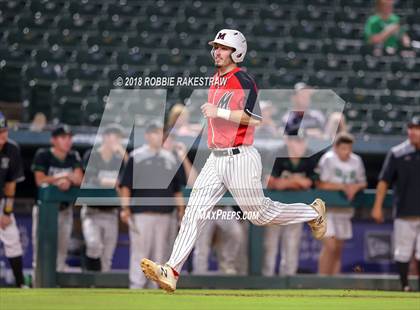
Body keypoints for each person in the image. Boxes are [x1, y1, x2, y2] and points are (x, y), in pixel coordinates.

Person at [140, 29, 327, 292]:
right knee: (194, 212)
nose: (217, 51)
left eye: (223, 48)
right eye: (215, 47)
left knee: (260, 215)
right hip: (216, 158)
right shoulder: (215, 79)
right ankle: (171, 270)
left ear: (236, 51)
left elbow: (256, 118)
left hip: (240, 156)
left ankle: (312, 212)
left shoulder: (243, 80)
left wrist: (220, 111)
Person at [118, 122, 185, 289]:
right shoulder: (136, 156)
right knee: (140, 254)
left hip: (165, 215)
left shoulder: (171, 158)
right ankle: (136, 287)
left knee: (161, 255)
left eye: (160, 133)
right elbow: (125, 186)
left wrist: (181, 211)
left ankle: (158, 288)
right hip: (142, 214)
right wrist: (125, 209)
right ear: (147, 136)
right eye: (155, 133)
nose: (159, 136)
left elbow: (177, 189)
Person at [372, 116, 420, 291]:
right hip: (404, 211)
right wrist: (377, 206)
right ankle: (405, 286)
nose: (413, 131)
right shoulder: (397, 153)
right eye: (411, 128)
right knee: (403, 251)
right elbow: (384, 181)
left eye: (417, 128)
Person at [263, 133, 319, 276]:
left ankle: (288, 284)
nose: (300, 144)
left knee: (292, 247)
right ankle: (266, 282)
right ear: (288, 141)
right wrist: (296, 182)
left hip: (295, 208)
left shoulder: (310, 155)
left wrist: (285, 183)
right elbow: (269, 182)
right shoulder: (277, 153)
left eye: (302, 141)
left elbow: (313, 182)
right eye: (296, 141)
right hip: (273, 208)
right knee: (270, 247)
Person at [31, 124, 83, 272]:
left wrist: (69, 181)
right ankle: (38, 285)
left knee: (61, 251)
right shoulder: (43, 155)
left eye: (69, 138)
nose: (67, 141)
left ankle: (57, 287)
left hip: (65, 210)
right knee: (41, 249)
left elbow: (79, 178)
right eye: (63, 137)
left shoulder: (74, 156)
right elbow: (39, 180)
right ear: (53, 140)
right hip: (44, 211)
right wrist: (63, 176)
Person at [317, 132, 367, 275]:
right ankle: (321, 281)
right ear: (336, 147)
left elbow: (363, 182)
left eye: (349, 148)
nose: (346, 152)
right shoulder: (328, 159)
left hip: (344, 210)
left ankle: (333, 283)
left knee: (338, 249)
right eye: (343, 148)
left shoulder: (356, 160)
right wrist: (344, 187)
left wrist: (356, 186)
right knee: (330, 247)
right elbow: (321, 184)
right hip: (327, 209)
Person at [81, 124, 127, 272]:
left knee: (107, 256)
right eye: (115, 136)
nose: (117, 140)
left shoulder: (118, 158)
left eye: (119, 137)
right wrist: (109, 182)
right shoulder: (92, 154)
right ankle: (90, 279)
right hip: (92, 211)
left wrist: (123, 154)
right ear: (105, 137)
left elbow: (130, 176)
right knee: (94, 246)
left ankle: (101, 287)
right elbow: (88, 178)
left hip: (111, 212)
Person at [0, 112, 26, 287]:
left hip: (2, 201)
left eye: (4, 131)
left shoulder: (12, 149)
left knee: (12, 238)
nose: (2, 136)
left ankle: (20, 284)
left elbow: (11, 185)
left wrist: (6, 212)